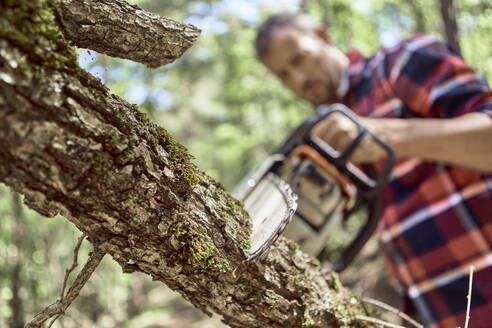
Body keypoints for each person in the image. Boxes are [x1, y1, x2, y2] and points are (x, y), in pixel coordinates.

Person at [255, 13, 492, 328]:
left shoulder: (398, 65)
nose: (298, 79)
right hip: (439, 311)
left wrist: (383, 135)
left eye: (300, 59)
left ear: (324, 38)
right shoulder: (325, 140)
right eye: (283, 75)